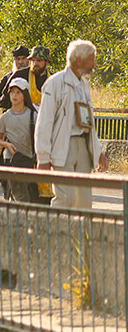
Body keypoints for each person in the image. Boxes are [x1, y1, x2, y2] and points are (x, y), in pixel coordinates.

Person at [35, 39, 107, 210]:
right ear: (79, 60)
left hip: (83, 146)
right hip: (62, 146)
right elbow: (44, 122)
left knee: (84, 200)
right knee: (65, 198)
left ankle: (81, 236)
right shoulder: (55, 83)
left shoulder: (84, 85)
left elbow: (89, 122)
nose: (94, 63)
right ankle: (53, 234)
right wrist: (43, 158)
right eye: (91, 59)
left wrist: (98, 152)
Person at [0, 77, 37, 202]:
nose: (14, 95)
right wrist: (7, 145)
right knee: (21, 196)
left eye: (18, 92)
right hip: (11, 160)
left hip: (28, 160)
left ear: (25, 94)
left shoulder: (33, 115)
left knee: (21, 196)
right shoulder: (5, 117)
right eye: (12, 92)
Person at [0, 46, 51, 110]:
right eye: (33, 60)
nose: (35, 63)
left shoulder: (53, 79)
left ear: (46, 62)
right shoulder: (19, 75)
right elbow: (5, 101)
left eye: (39, 61)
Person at [0, 45, 30, 110]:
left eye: (23, 58)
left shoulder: (33, 77)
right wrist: (3, 100)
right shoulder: (8, 77)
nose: (21, 62)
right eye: (18, 59)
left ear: (28, 60)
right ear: (14, 61)